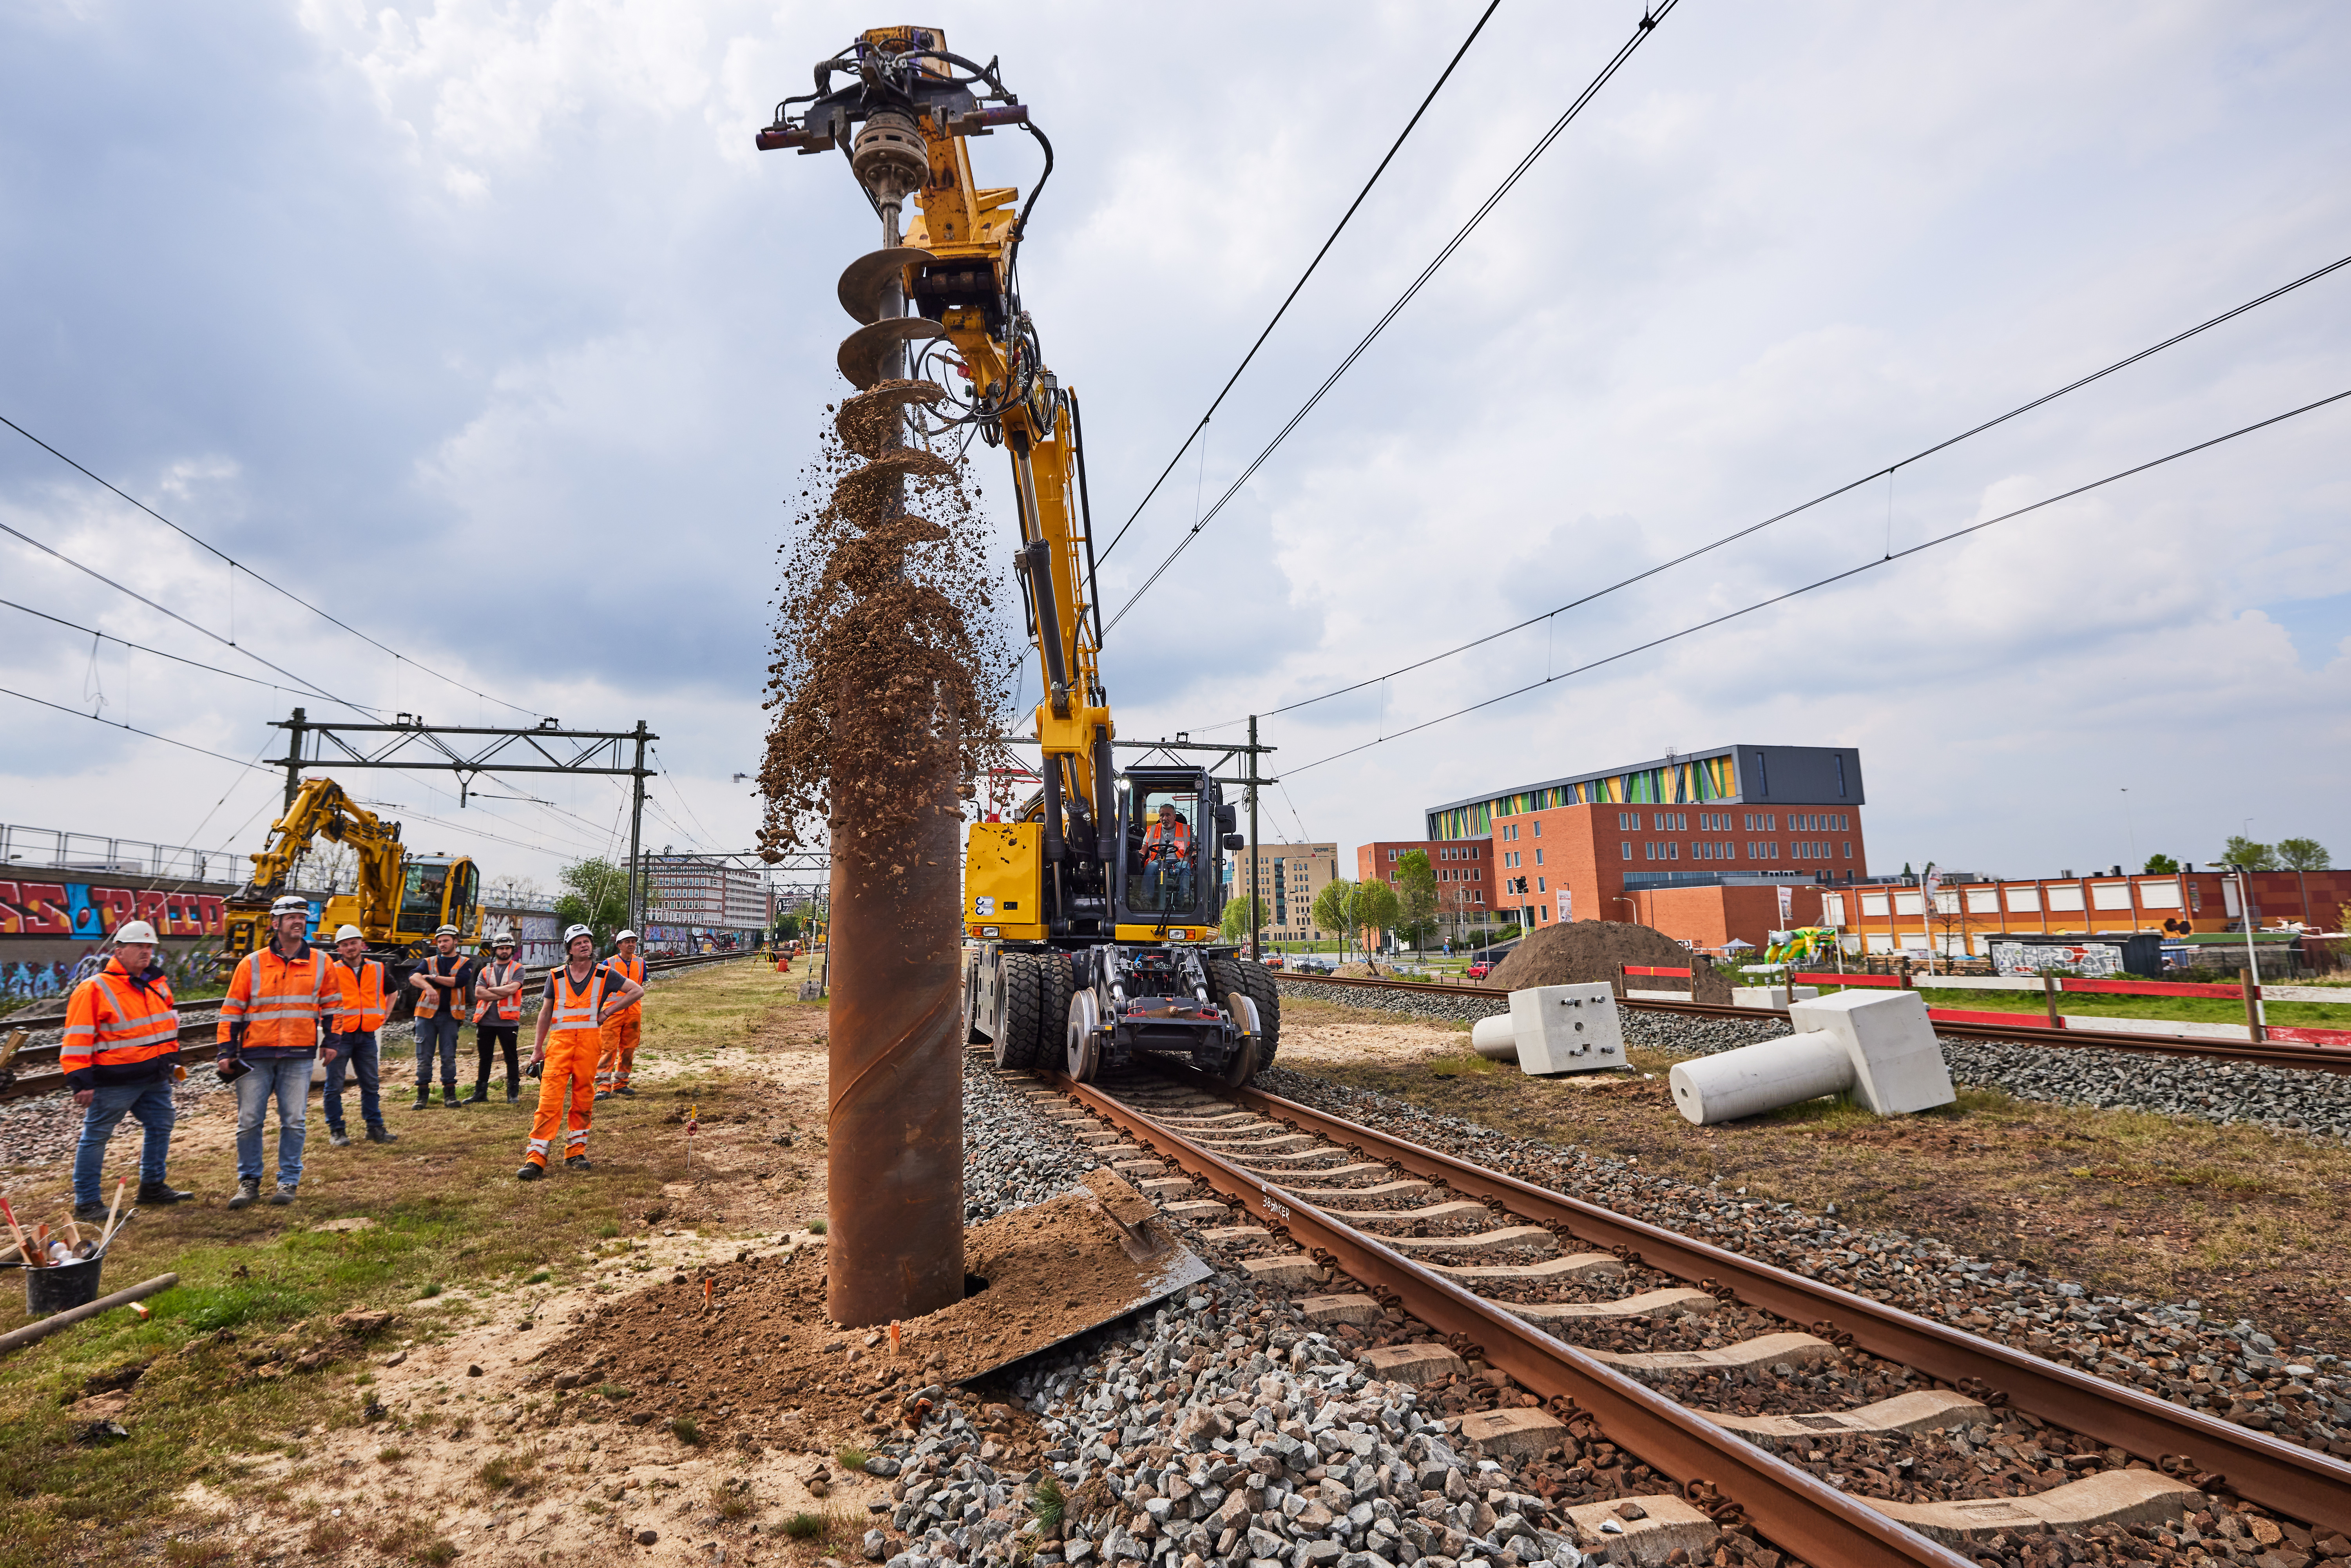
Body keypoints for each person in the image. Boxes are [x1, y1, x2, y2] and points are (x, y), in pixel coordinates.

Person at [63, 919, 192, 1222]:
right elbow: (77, 1037)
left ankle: (152, 1186)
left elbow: (167, 1029)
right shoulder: (94, 989)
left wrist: (172, 1062)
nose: (146, 952)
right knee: (96, 1137)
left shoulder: (156, 985)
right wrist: (81, 1081)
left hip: (153, 1076)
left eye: (150, 947)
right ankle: (87, 1203)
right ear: (118, 951)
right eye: (139, 946)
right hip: (115, 1080)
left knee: (162, 1124)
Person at [217, 894, 338, 1209]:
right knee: (249, 1120)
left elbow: (333, 1005)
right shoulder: (252, 963)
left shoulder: (322, 962)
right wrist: (225, 1051)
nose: (299, 922)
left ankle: (288, 1180)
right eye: (292, 917)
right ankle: (249, 1181)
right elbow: (231, 1010)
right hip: (255, 1054)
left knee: (295, 1120)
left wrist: (332, 1041)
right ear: (276, 924)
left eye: (302, 917)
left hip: (298, 1054)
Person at [517, 924, 642, 1181]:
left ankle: (576, 1153)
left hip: (588, 1046)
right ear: (569, 950)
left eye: (587, 941)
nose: (584, 945)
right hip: (560, 1046)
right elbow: (545, 1013)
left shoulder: (604, 974)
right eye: (578, 943)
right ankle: (536, 1159)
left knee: (583, 1100)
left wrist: (607, 1013)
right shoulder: (556, 976)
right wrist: (537, 1049)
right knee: (549, 1101)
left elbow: (637, 991)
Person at [324, 925, 397, 1146]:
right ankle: (337, 1130)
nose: (349, 948)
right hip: (340, 1036)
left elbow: (392, 991)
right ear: (339, 949)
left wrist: (385, 1014)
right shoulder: (332, 971)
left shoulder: (378, 968)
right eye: (344, 945)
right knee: (334, 1085)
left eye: (353, 943)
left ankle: (374, 1128)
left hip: (366, 1034)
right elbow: (321, 999)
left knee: (371, 1084)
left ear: (361, 945)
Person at [408, 923, 469, 1110]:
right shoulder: (429, 961)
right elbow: (413, 977)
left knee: (448, 1056)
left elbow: (459, 981)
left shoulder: (465, 963)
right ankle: (422, 1096)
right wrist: (427, 987)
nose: (442, 944)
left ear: (455, 941)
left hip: (450, 1017)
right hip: (426, 1016)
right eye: (440, 941)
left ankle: (450, 1095)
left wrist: (432, 978)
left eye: (446, 941)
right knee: (424, 1057)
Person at [468, 930, 526, 1103]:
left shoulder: (518, 969)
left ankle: (513, 1094)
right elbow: (478, 993)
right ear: (495, 950)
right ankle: (481, 1094)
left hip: (508, 1022)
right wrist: (500, 992)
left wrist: (490, 991)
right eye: (501, 948)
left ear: (512, 950)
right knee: (484, 1058)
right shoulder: (485, 970)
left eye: (508, 948)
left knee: (511, 1058)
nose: (504, 951)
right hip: (485, 1021)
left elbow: (512, 990)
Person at [594, 929, 647, 1099]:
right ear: (619, 945)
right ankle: (603, 1086)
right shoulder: (608, 963)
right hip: (613, 1011)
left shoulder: (641, 963)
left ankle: (621, 1083)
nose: (631, 945)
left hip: (633, 1011)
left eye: (633, 941)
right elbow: (599, 988)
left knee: (629, 1048)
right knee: (608, 1048)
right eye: (628, 942)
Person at [1141, 803, 1192, 909]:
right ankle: (1145, 900)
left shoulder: (1186, 830)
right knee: (1150, 868)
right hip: (1158, 862)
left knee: (1185, 868)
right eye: (1162, 815)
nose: (1165, 818)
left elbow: (1195, 847)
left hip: (1178, 863)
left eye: (1168, 815)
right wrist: (1139, 854)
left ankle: (1185, 900)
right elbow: (1144, 848)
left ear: (1174, 817)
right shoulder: (1152, 830)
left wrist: (1196, 854)